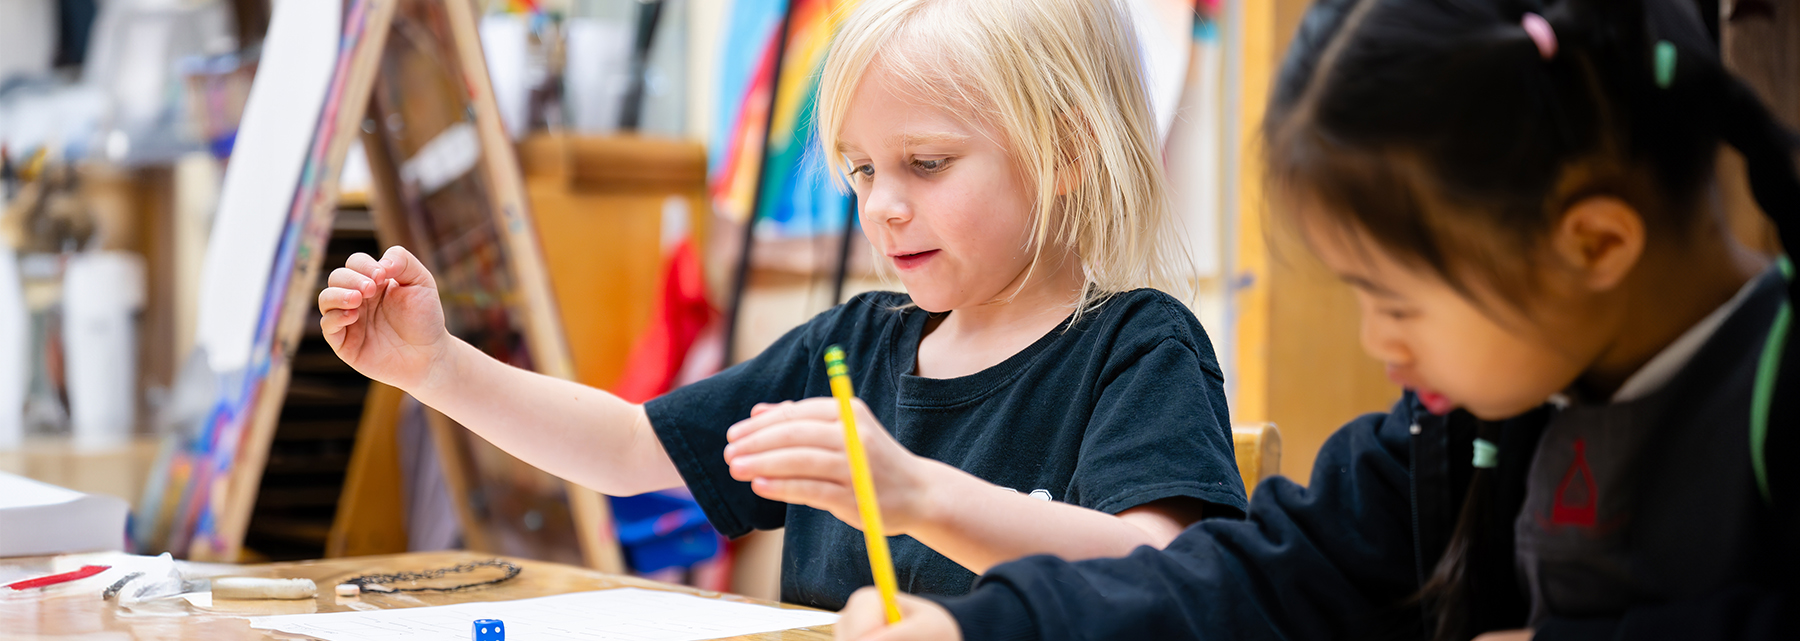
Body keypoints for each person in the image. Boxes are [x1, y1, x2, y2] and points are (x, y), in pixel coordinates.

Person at [833, 0, 1800, 638]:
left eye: (1396, 298)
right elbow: (1254, 579)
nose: (1379, 343)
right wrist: (982, 625)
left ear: (1594, 244)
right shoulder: (1468, 428)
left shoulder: (1773, 392)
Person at [316, 0, 1246, 611]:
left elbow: (1161, 571)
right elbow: (632, 448)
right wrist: (439, 366)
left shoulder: (1139, 346)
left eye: (926, 163)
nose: (881, 203)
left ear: (1066, 152)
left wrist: (916, 494)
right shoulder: (852, 346)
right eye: (862, 169)